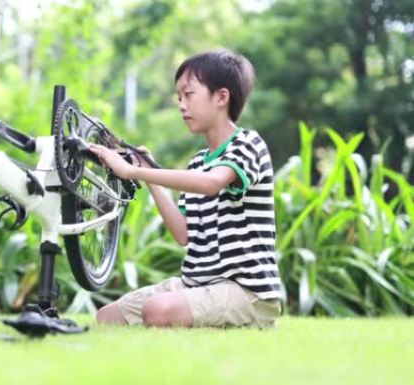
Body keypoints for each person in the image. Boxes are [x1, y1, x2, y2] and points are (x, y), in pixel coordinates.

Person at [88, 49, 282, 328]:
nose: (181, 105)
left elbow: (213, 184)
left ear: (221, 97)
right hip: (198, 285)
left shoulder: (248, 144)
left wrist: (130, 170)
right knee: (107, 318)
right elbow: (183, 234)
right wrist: (150, 174)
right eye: (179, 97)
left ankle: (252, 323)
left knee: (156, 310)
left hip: (247, 292)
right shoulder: (197, 163)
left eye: (188, 95)